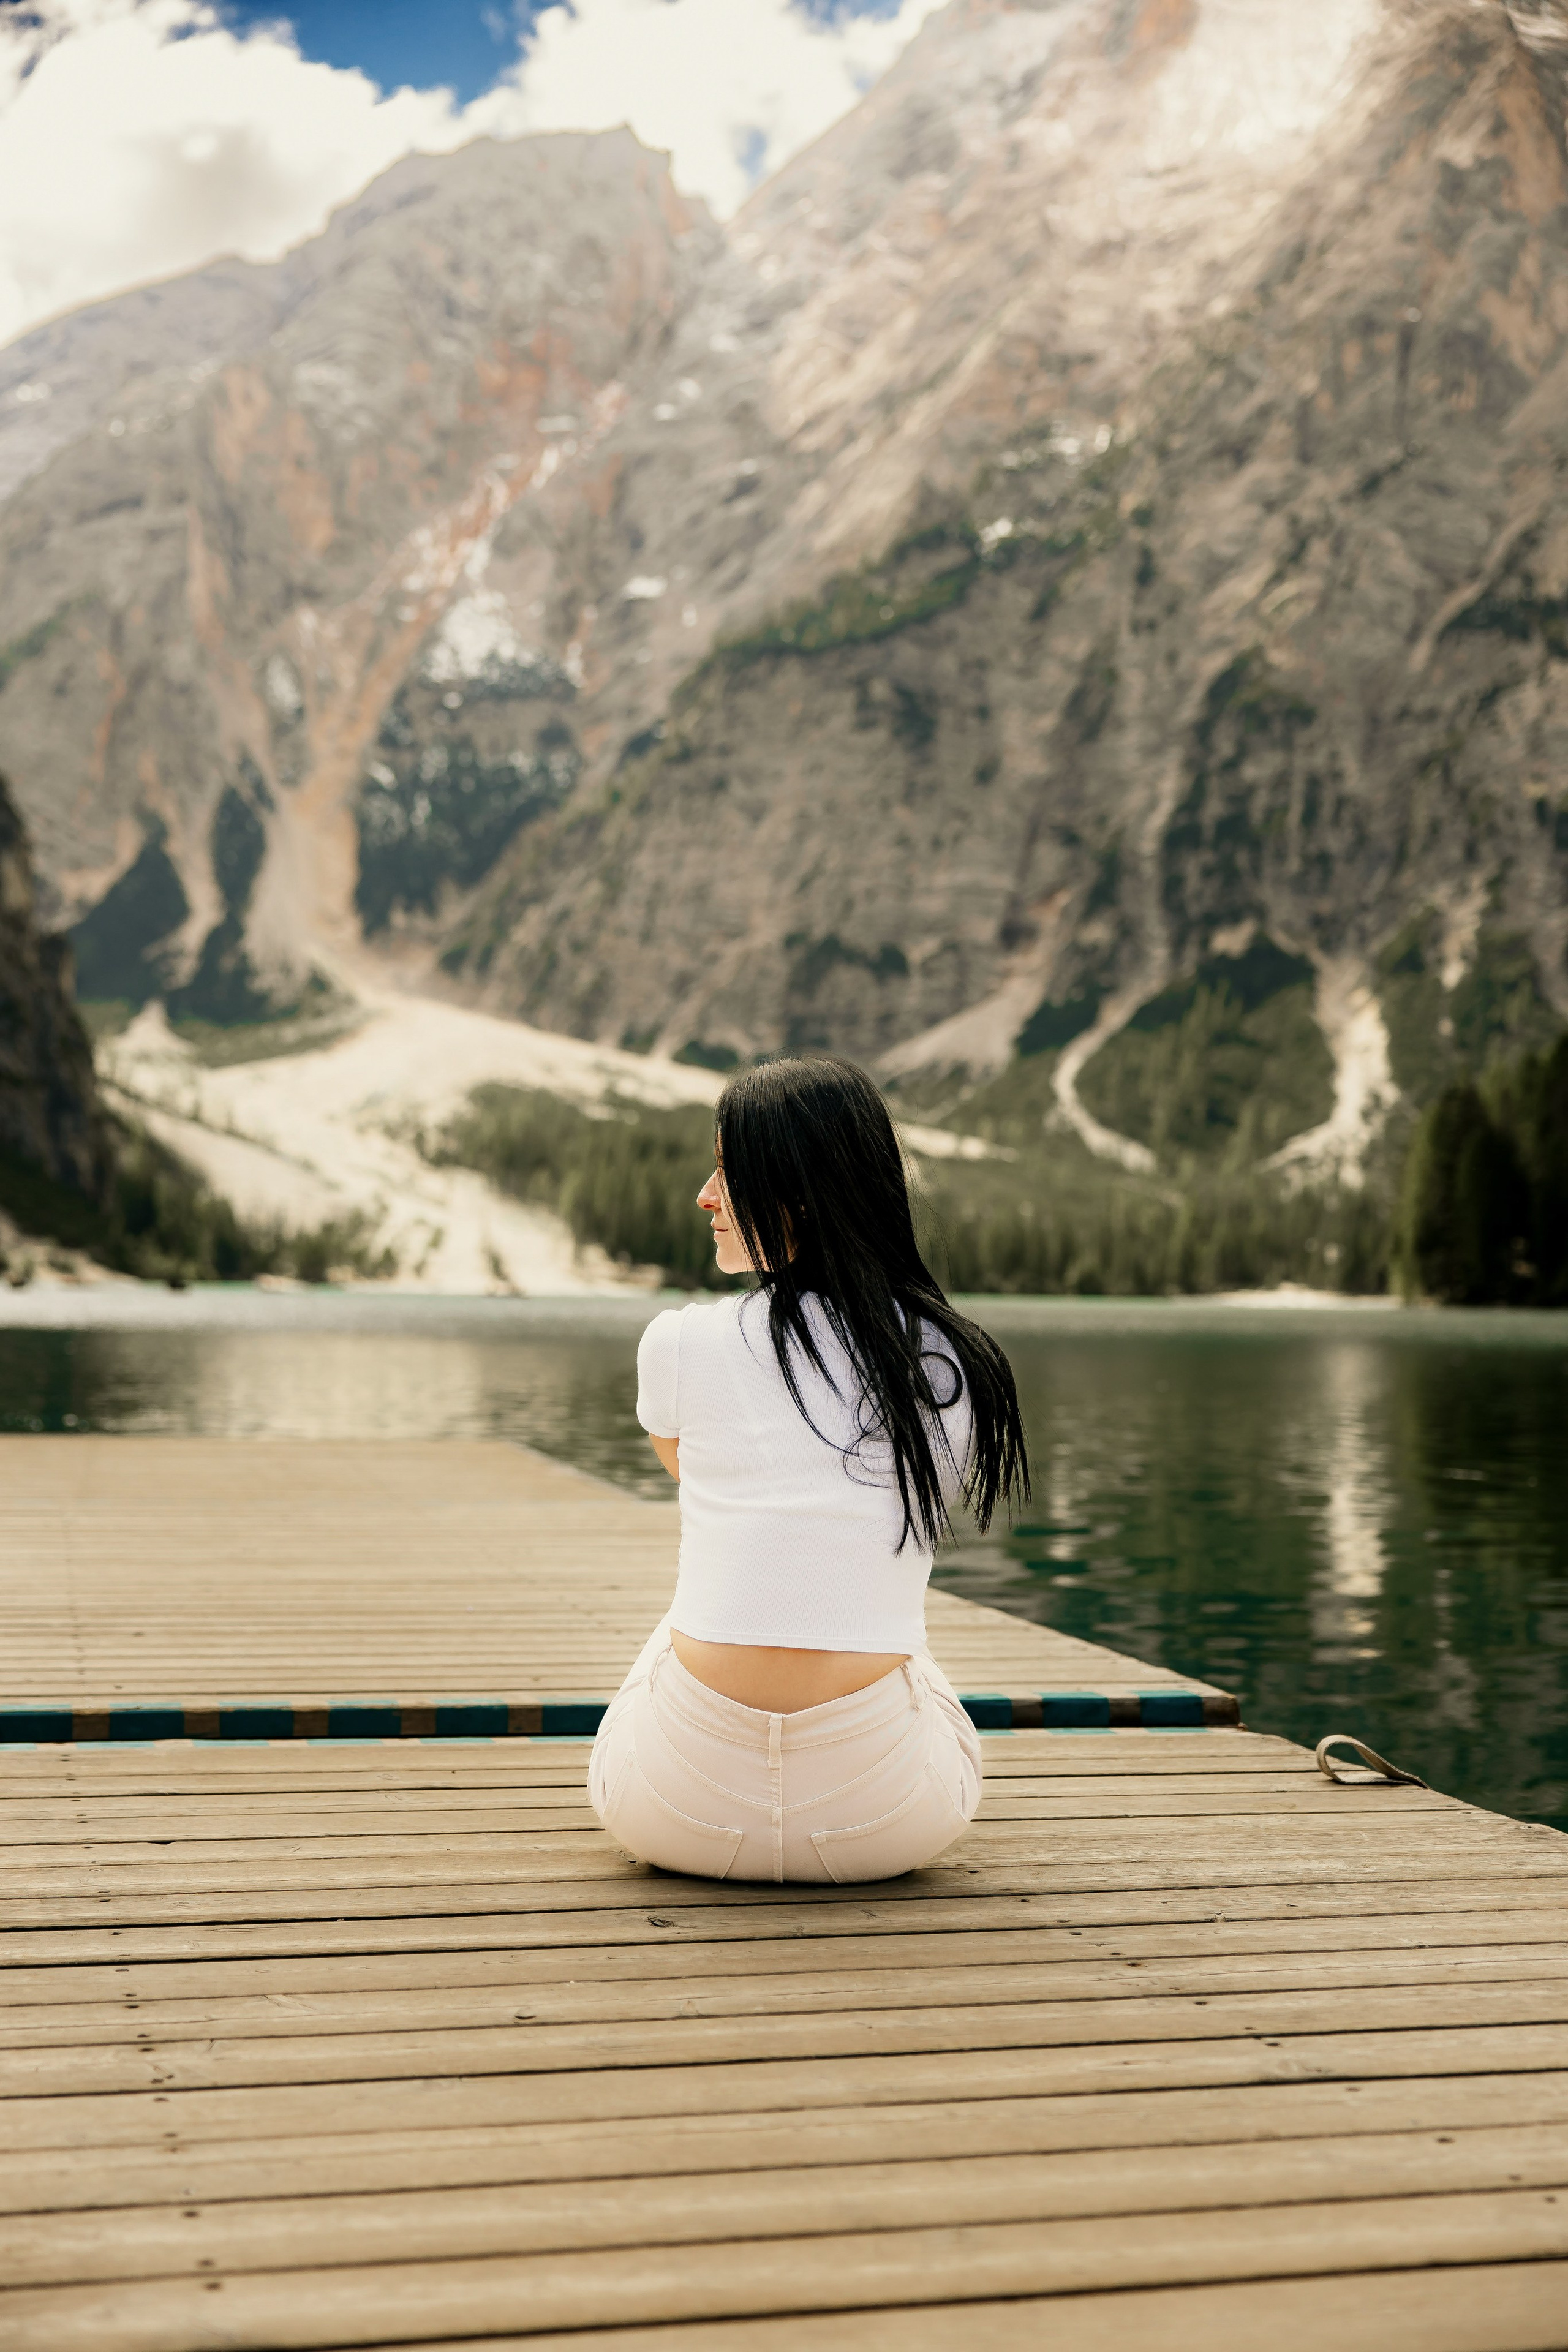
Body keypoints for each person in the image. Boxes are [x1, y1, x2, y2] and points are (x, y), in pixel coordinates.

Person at [589, 1055, 1030, 1883]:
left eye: (727, 1171)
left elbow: (697, 1478)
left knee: (681, 1622)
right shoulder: (954, 1365)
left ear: (799, 1191)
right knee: (905, 1648)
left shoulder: (679, 1343)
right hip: (886, 1825)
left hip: (674, 1812)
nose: (704, 1197)